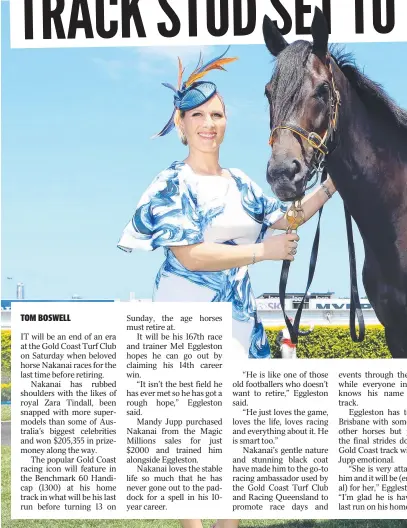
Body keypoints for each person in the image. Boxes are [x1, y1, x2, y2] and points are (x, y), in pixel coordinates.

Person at [117, 48, 337, 528]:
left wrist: (330, 186)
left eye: (217, 114)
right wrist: (263, 252)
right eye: (198, 115)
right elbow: (190, 255)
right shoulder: (170, 183)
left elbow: (285, 217)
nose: (209, 123)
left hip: (237, 329)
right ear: (180, 124)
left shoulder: (239, 182)